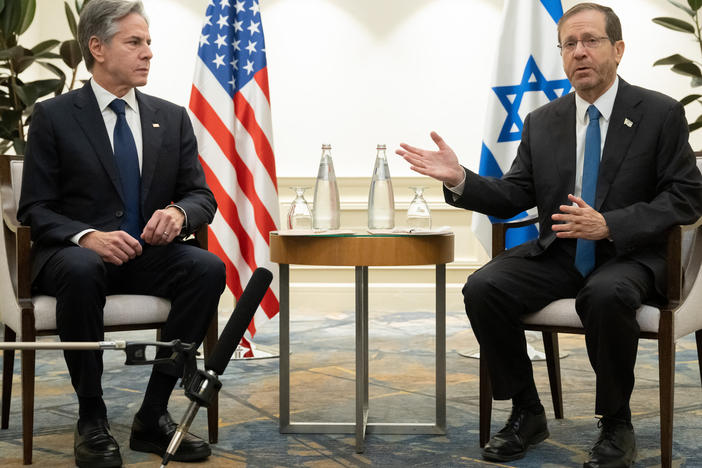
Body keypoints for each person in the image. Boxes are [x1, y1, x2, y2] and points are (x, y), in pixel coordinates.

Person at [397, 3, 702, 467]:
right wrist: (461, 178)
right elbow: (516, 193)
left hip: (631, 255)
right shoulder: (543, 121)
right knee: (484, 287)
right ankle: (526, 409)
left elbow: (685, 197)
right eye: (569, 44)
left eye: (591, 41)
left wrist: (610, 224)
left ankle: (616, 423)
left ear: (618, 50)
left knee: (606, 293)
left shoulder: (659, 113)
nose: (579, 52)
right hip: (561, 252)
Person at [17, 0, 226, 466]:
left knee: (207, 268)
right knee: (82, 267)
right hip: (76, 261)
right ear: (97, 47)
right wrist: (86, 235)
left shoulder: (170, 117)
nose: (148, 52)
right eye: (134, 42)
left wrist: (178, 213)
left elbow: (201, 196)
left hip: (144, 256)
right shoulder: (54, 116)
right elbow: (34, 208)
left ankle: (152, 416)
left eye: (148, 42)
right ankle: (91, 417)